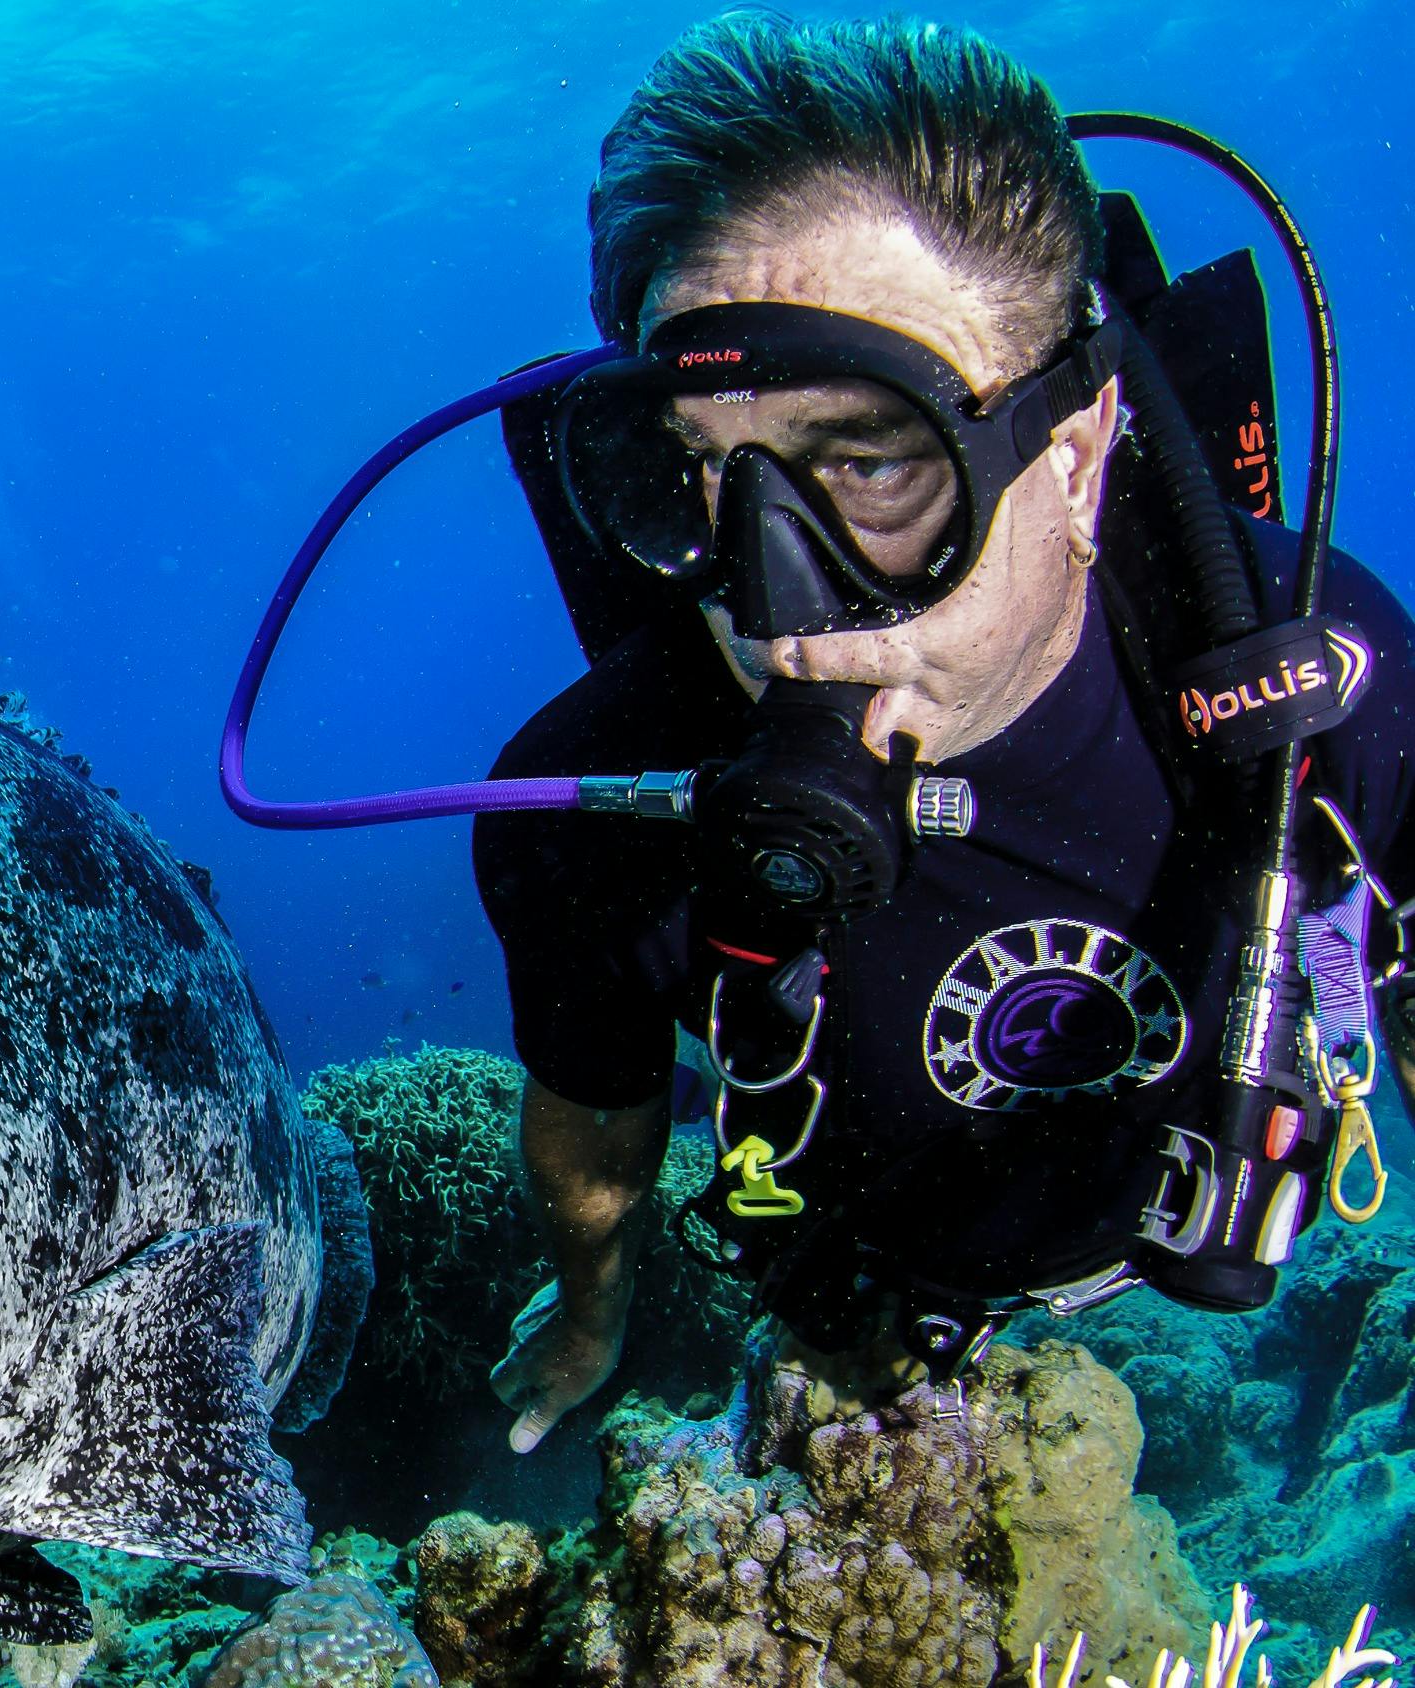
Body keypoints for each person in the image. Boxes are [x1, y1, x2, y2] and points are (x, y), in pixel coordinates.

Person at [462, 13, 1415, 1450]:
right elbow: (596, 1129)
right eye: (701, 473)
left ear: (1076, 457)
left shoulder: (1319, 675)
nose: (779, 618)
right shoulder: (581, 813)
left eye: (872, 460)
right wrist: (592, 1318)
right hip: (882, 1301)